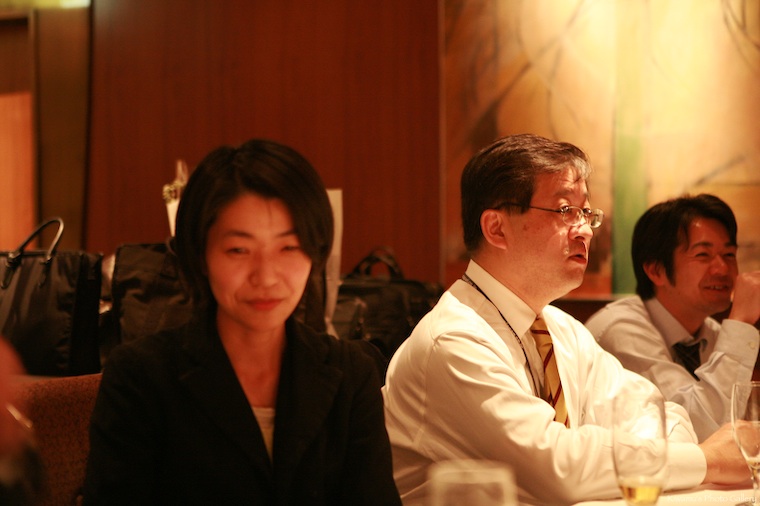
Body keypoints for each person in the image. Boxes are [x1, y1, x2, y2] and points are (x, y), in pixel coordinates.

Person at [381, 133, 749, 505]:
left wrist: (630, 455)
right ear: (496, 229)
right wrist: (706, 461)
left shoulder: (561, 329)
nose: (585, 229)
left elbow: (659, 415)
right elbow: (556, 468)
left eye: (586, 213)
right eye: (565, 211)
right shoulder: (454, 340)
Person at [82, 139, 401, 505]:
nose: (266, 276)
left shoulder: (351, 376)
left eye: (288, 247)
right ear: (200, 256)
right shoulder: (141, 378)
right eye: (239, 250)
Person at [585, 194, 760, 442]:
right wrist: (741, 321)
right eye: (703, 255)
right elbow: (697, 429)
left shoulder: (711, 333)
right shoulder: (621, 330)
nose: (723, 269)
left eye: (729, 254)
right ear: (656, 270)